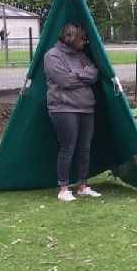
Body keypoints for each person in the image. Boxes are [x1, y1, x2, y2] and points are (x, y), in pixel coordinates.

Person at [44, 23, 102, 201]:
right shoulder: (52, 55)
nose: (85, 43)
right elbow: (64, 82)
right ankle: (63, 189)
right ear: (73, 38)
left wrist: (75, 73)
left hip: (86, 107)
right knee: (68, 147)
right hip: (63, 108)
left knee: (84, 148)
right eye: (83, 39)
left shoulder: (81, 55)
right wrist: (83, 75)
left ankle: (83, 186)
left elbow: (95, 75)